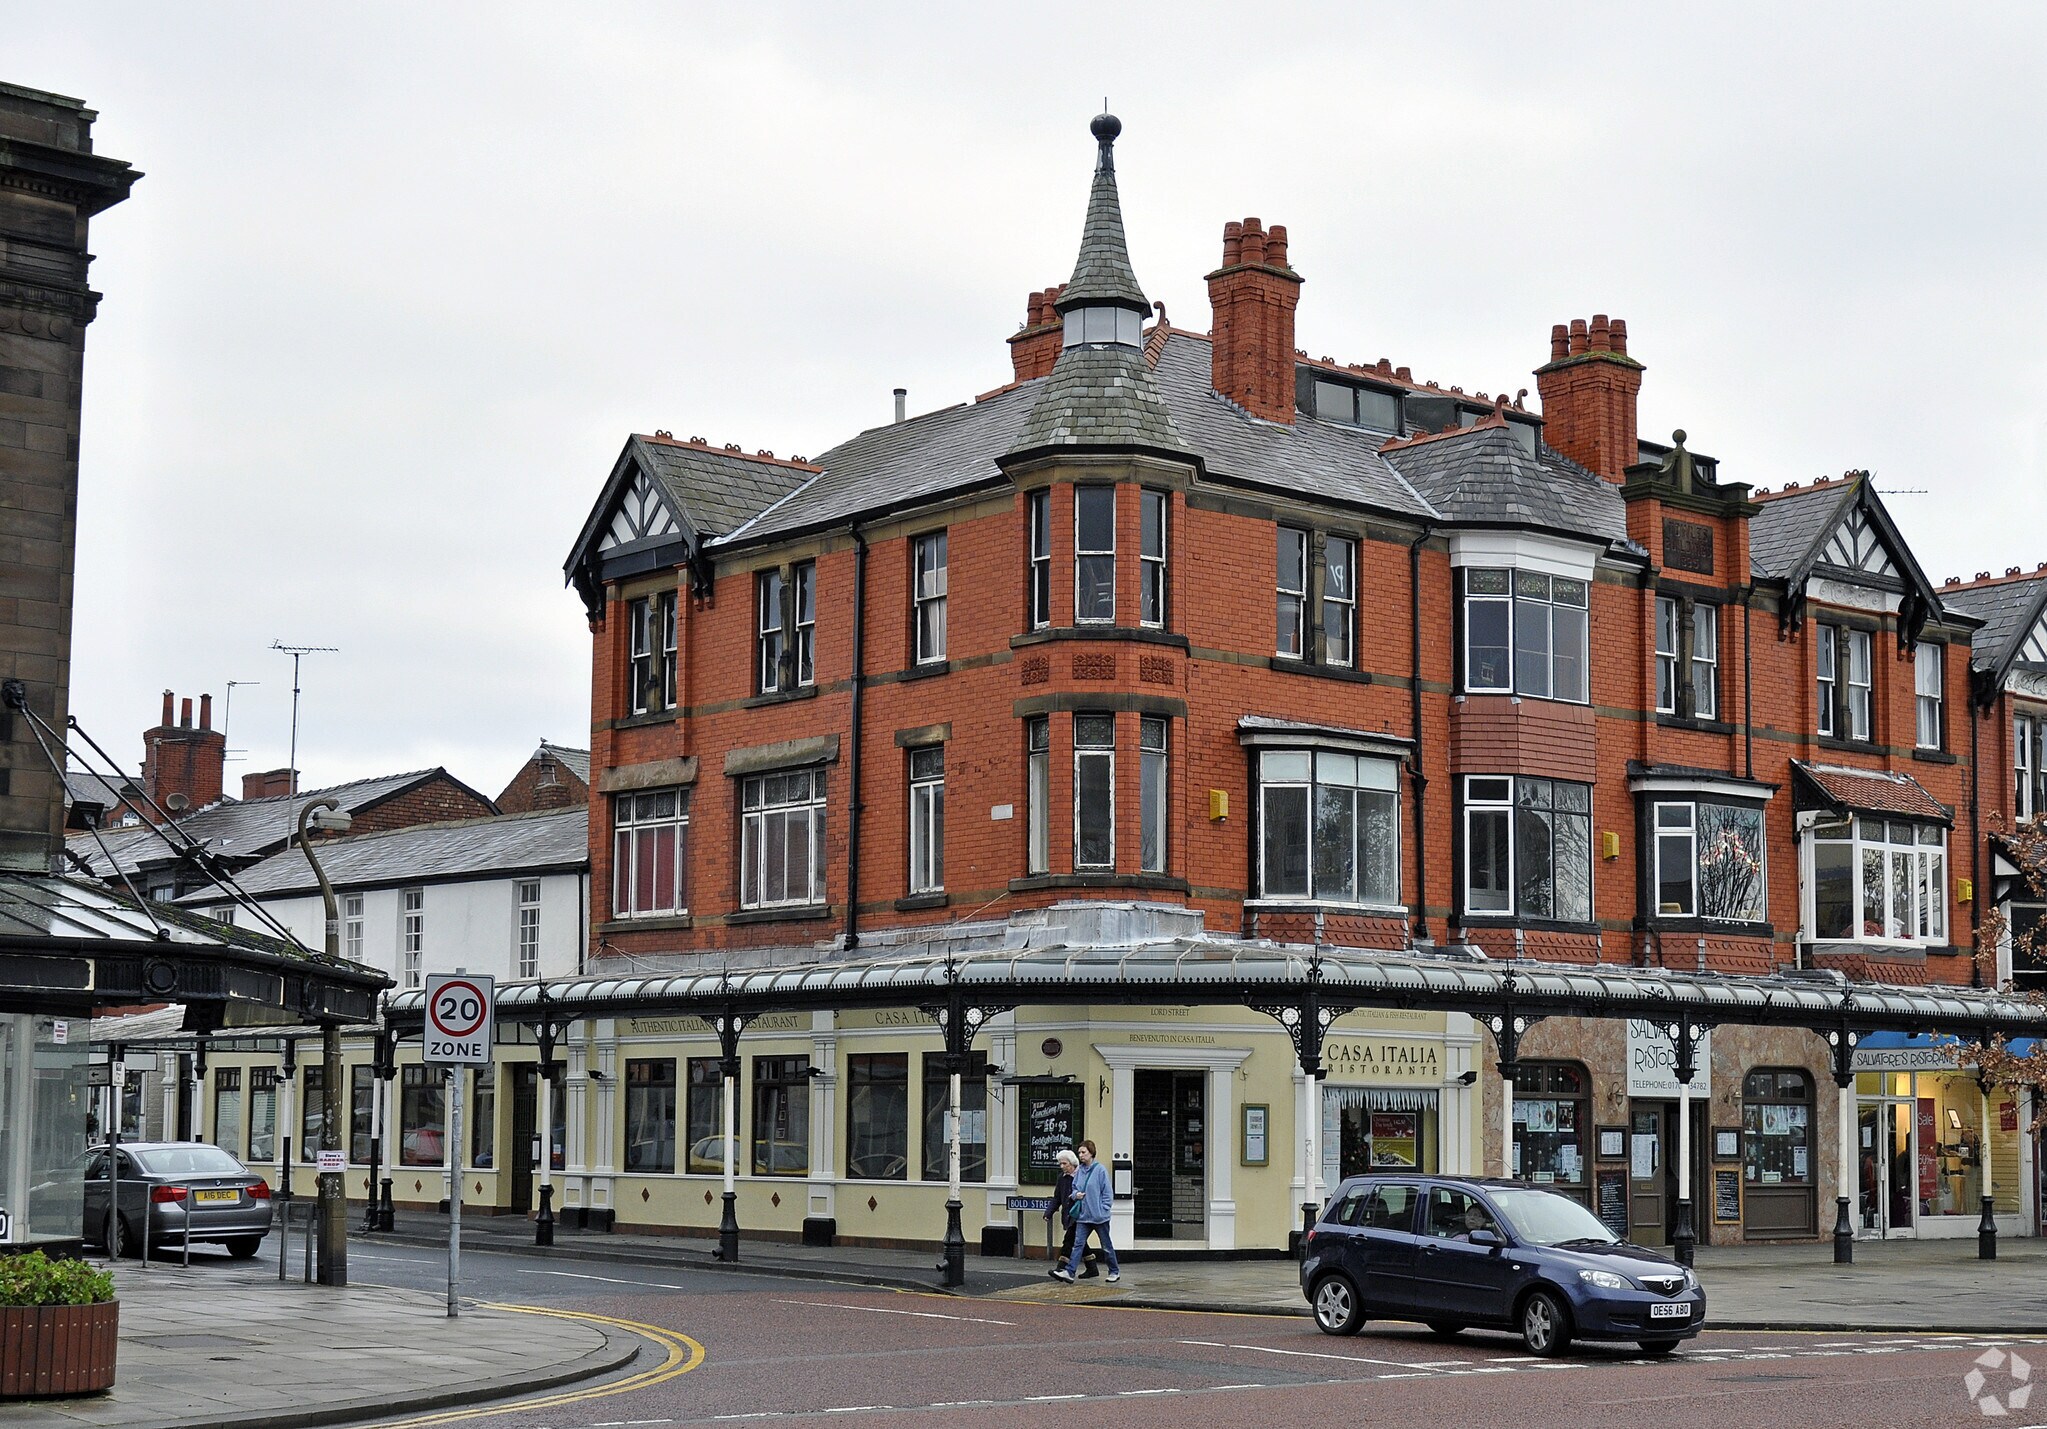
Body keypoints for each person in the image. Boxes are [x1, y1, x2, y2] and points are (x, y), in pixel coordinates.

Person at [1052, 1139, 1119, 1284]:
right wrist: (1076, 1195)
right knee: (1078, 1244)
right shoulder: (1080, 1171)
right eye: (1079, 1152)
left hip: (1099, 1217)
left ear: (1091, 1153)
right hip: (1083, 1216)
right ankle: (1070, 1272)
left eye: (1084, 1152)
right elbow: (1075, 1188)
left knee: (1106, 1246)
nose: (1081, 1155)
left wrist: (1103, 1209)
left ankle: (1114, 1271)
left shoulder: (1100, 1170)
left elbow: (1107, 1193)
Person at [1045, 1149, 1098, 1278]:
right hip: (1069, 1215)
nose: (1062, 1166)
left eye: (1064, 1163)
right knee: (1079, 1241)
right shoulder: (1061, 1178)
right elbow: (1057, 1197)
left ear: (1072, 1163)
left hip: (1082, 1215)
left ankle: (1061, 1268)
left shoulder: (1083, 1176)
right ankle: (1092, 1268)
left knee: (1068, 1240)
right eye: (1060, 1164)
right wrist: (1049, 1212)